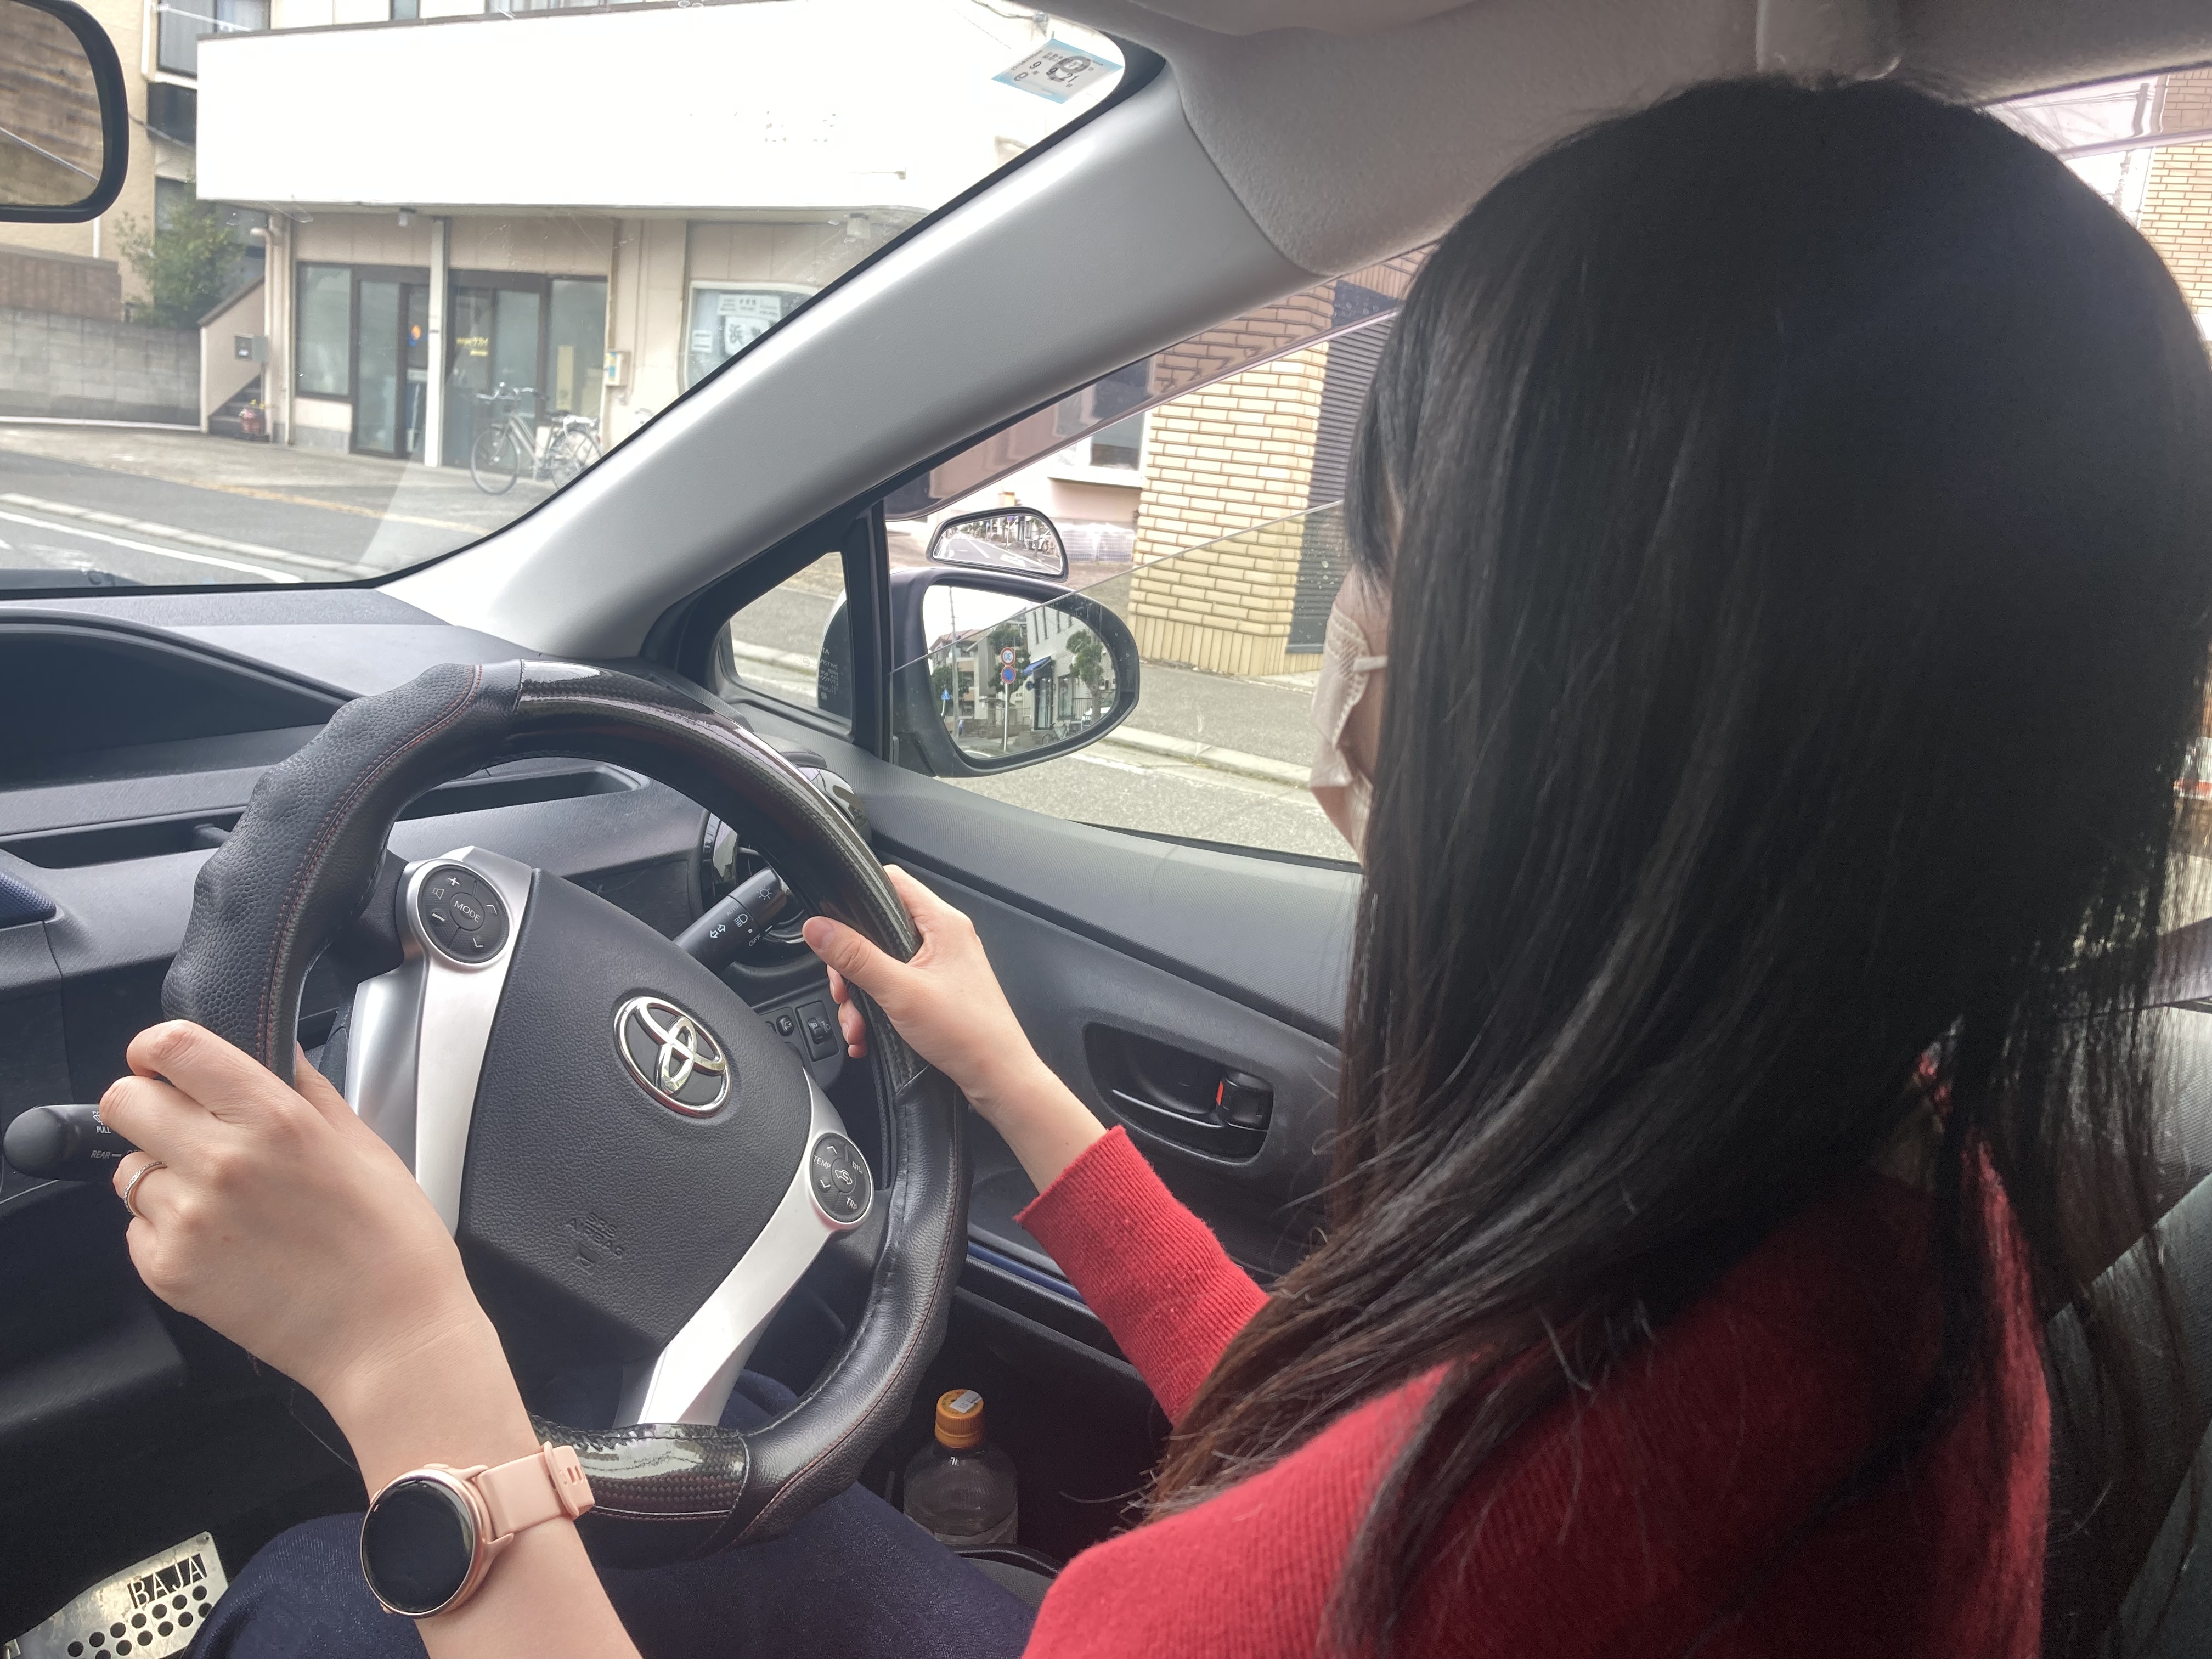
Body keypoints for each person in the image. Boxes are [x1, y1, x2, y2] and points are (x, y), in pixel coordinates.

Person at [104, 74, 2212, 1658]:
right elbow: (1343, 1450)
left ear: (1556, 717)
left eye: (1389, 586)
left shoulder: (1418, 1567)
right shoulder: (1884, 1227)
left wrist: (406, 1366)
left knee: (324, 1601)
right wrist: (1017, 1090)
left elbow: (1338, 1536)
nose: (1348, 698)